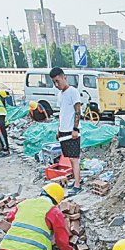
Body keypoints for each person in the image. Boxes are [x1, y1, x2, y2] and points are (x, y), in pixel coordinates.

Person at [0, 182, 73, 250]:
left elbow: (10, 217)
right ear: (57, 201)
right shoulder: (54, 211)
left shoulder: (24, 204)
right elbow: (61, 240)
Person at [50, 67, 82, 195]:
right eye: (54, 82)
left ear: (64, 77)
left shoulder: (73, 92)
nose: (56, 84)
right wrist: (59, 130)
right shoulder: (60, 95)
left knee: (74, 159)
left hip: (72, 131)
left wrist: (75, 129)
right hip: (63, 131)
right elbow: (62, 114)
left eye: (58, 81)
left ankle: (77, 185)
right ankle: (76, 180)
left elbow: (77, 111)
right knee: (69, 158)